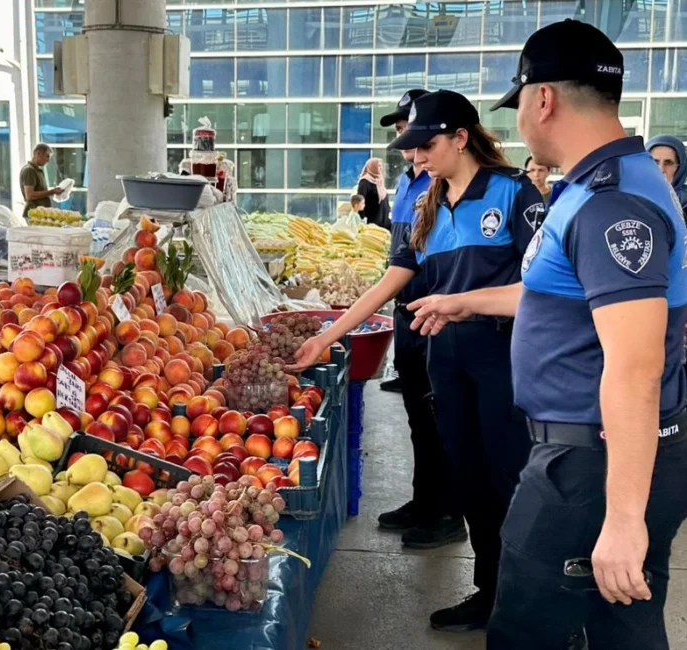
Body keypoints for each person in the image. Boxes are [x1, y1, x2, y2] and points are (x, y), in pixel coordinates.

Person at [411, 21, 687, 649]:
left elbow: (637, 366)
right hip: (591, 456)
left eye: (520, 106)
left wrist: (621, 520)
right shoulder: (594, 187)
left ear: (544, 99)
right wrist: (463, 301)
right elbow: (551, 293)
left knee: (528, 633)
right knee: (620, 628)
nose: (519, 125)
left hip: (588, 464)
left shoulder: (612, 203)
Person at [290, 89, 546, 632]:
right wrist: (326, 335)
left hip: (505, 360)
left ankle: (532, 606)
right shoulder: (429, 205)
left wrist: (465, 304)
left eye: (425, 145)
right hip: (445, 361)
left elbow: (545, 289)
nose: (417, 157)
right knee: (471, 481)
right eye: (411, 148)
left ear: (460, 137)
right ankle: (491, 592)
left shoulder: (514, 194)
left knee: (511, 483)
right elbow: (390, 282)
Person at [362, 88, 467, 551]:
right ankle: (423, 500)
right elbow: (401, 252)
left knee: (441, 419)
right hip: (407, 314)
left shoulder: (444, 185)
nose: (407, 141)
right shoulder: (408, 182)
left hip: (439, 319)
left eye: (413, 130)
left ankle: (447, 512)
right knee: (417, 421)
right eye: (404, 131)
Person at [646, 134, 687, 216]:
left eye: (668, 163)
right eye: (655, 162)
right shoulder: (630, 198)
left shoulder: (685, 203)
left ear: (680, 168)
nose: (661, 169)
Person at [20, 143, 62, 218]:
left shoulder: (37, 170)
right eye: (47, 156)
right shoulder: (29, 170)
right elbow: (30, 195)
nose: (48, 160)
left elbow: (38, 191)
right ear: (38, 153)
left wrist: (52, 191)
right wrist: (51, 192)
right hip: (34, 215)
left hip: (40, 214)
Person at [356, 158, 392, 229]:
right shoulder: (365, 182)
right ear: (372, 167)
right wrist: (362, 219)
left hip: (384, 220)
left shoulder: (379, 181)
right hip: (372, 222)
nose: (380, 168)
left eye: (381, 166)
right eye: (378, 166)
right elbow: (360, 199)